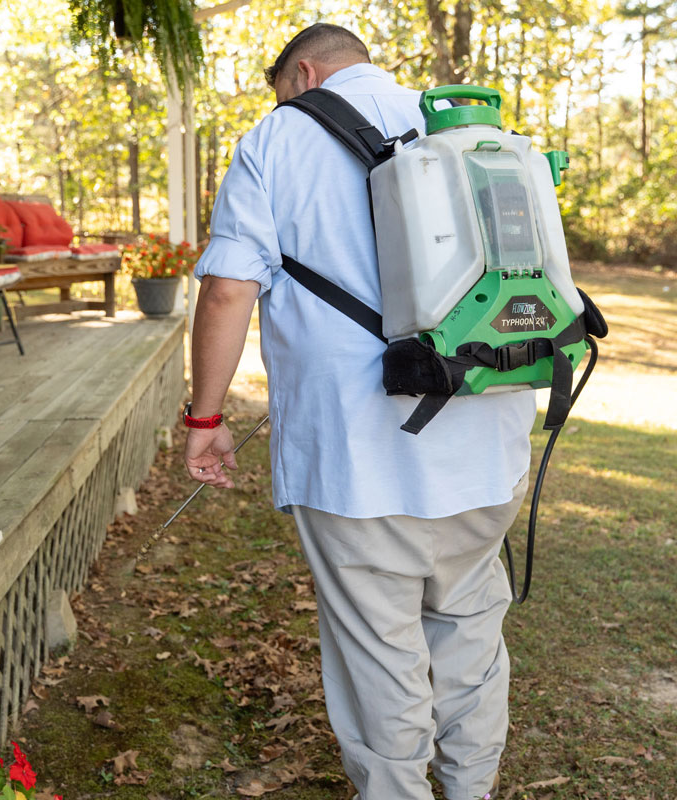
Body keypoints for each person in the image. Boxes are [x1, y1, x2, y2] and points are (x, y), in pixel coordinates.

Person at [183, 23, 536, 800]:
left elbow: (229, 289)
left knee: (380, 651)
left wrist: (205, 422)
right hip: (489, 437)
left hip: (357, 459)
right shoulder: (468, 129)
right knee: (471, 631)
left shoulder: (274, 140)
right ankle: (470, 789)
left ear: (303, 74)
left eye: (284, 93)